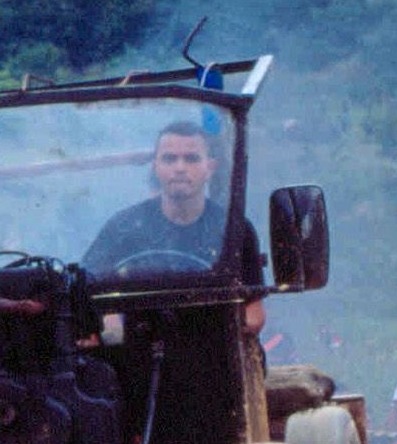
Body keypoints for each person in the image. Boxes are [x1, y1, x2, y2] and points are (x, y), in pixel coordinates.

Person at [79, 120, 265, 334]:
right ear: (155, 166)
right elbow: (87, 289)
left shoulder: (234, 229)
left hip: (215, 352)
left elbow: (254, 314)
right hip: (138, 354)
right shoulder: (124, 227)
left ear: (210, 167)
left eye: (191, 159)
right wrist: (108, 321)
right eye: (169, 159)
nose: (180, 168)